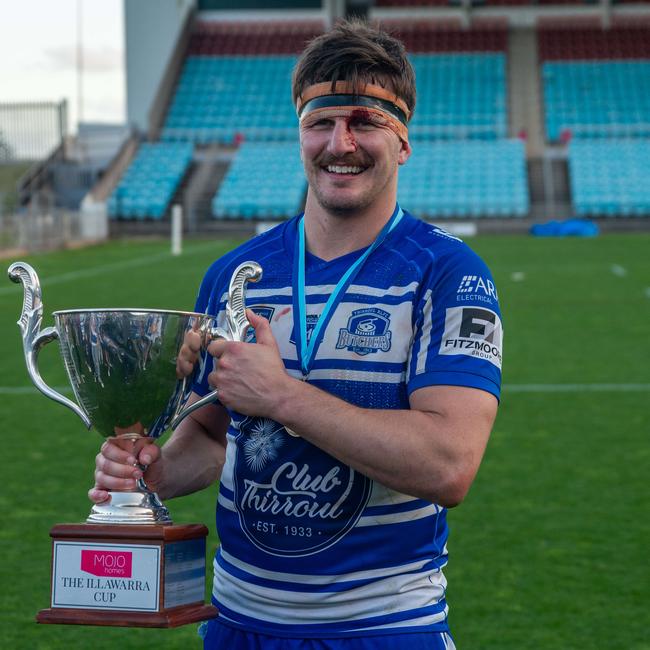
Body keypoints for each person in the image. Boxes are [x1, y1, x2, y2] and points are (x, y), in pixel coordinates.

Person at [90, 20, 503, 650]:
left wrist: (282, 397)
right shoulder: (234, 274)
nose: (340, 143)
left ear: (403, 142)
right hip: (237, 626)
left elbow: (449, 464)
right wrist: (153, 474)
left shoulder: (447, 272)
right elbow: (210, 434)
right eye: (321, 122)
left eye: (365, 121)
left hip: (383, 627)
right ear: (299, 135)